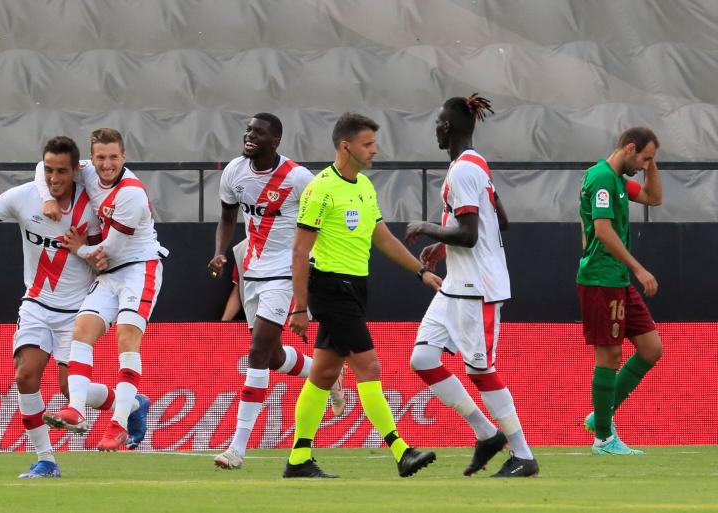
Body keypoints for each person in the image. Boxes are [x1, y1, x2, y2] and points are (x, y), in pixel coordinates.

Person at [0, 136, 121, 478]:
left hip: (78, 310)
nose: (54, 178)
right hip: (36, 304)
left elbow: (109, 258)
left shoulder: (94, 206)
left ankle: (128, 403)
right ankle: (46, 460)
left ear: (76, 171)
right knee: (25, 376)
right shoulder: (24, 196)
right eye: (48, 170)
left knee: (67, 389)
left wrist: (89, 251)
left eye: (62, 171)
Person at [285, 112, 442, 479]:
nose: (375, 150)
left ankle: (298, 460)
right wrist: (301, 307)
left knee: (323, 374)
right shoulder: (321, 189)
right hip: (331, 287)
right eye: (368, 144)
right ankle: (401, 451)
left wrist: (420, 272)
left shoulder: (364, 187)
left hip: (355, 288)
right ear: (346, 146)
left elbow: (382, 237)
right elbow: (299, 251)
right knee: (368, 366)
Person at [405, 94, 539, 478]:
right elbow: (502, 221)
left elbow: (468, 233)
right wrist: (442, 244)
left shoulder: (464, 170)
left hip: (476, 288)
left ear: (447, 128)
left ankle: (524, 455)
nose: (435, 128)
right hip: (456, 285)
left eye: (437, 122)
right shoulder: (477, 164)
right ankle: (486, 433)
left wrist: (427, 226)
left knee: (480, 371)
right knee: (423, 359)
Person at [207, 114, 345, 470]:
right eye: (248, 130)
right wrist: (221, 252)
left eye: (258, 132)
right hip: (251, 271)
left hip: (285, 274)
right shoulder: (235, 172)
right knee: (270, 357)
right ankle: (326, 374)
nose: (249, 135)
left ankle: (237, 448)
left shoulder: (299, 179)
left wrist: (313, 266)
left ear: (276, 141)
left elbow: (325, 219)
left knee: (256, 352)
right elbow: (227, 217)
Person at [37, 128, 166, 451]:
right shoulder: (89, 173)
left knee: (126, 337)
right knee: (82, 331)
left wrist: (78, 248)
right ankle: (77, 411)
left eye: (113, 157)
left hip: (139, 269)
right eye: (100, 158)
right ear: (91, 159)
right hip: (112, 274)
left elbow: (106, 254)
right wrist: (47, 198)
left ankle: (118, 423)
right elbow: (43, 168)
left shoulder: (131, 195)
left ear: (124, 156)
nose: (106, 165)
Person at [577, 127, 663, 455]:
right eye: (644, 158)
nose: (645, 166)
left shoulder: (617, 180)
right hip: (601, 279)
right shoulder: (602, 179)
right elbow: (602, 229)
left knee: (651, 348)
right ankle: (603, 436)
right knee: (609, 356)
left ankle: (601, 414)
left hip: (617, 279)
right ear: (629, 148)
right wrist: (639, 268)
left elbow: (654, 198)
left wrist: (652, 164)